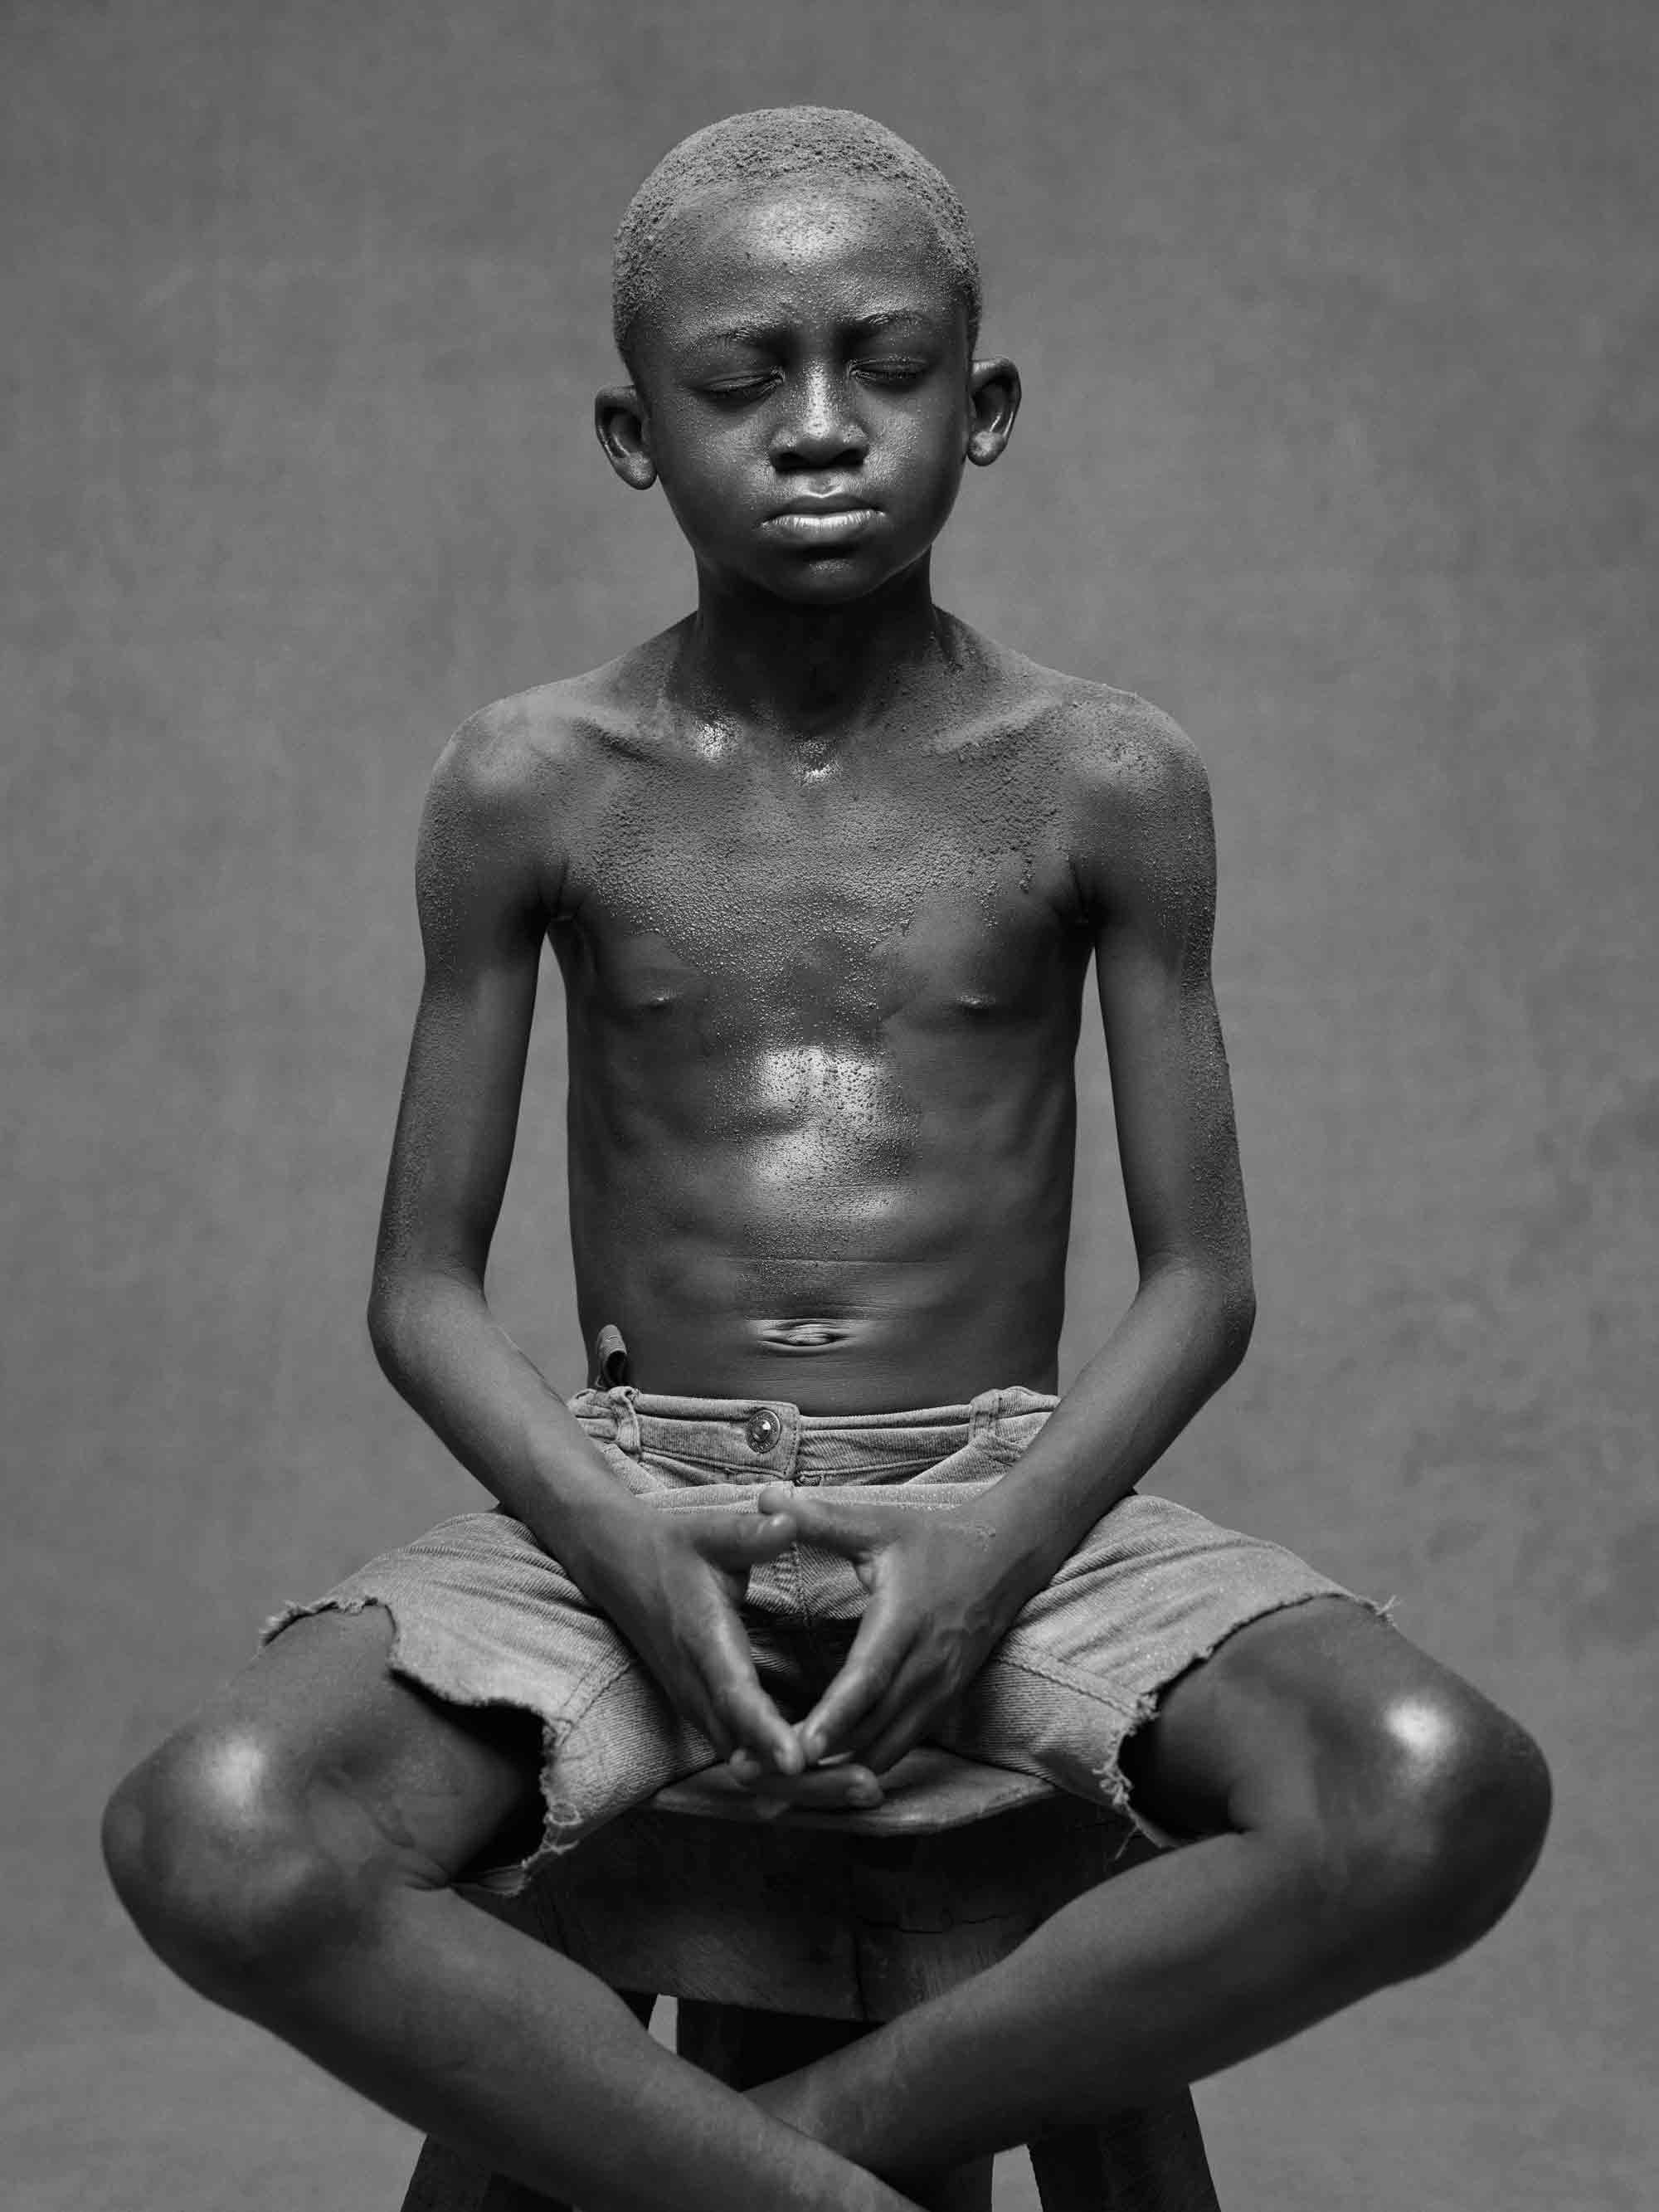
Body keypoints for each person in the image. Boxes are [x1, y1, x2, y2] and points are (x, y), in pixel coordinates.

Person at [102, 107, 1551, 2212]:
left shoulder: (1102, 778)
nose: (815, 428)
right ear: (631, 432)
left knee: (1433, 1789)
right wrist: (608, 1532)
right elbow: (420, 1286)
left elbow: (1205, 1281)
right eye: (738, 380)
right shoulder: (531, 782)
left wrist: (999, 1548)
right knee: (210, 1827)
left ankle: (762, 2172)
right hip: (627, 1478)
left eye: (882, 367)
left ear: (986, 409)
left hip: (1006, 1492)